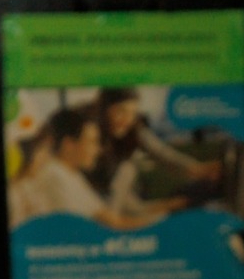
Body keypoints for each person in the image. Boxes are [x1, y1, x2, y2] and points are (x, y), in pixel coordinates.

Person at [11, 107, 178, 231]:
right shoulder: (55, 175)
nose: (98, 150)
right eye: (92, 142)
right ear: (69, 145)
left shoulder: (71, 175)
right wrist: (168, 224)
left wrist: (168, 216)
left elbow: (113, 219)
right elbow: (112, 224)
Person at [91, 87, 221, 217]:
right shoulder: (89, 133)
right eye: (120, 111)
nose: (126, 120)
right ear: (103, 108)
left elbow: (162, 153)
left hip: (127, 201)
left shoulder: (134, 130)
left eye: (132, 113)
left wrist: (199, 168)